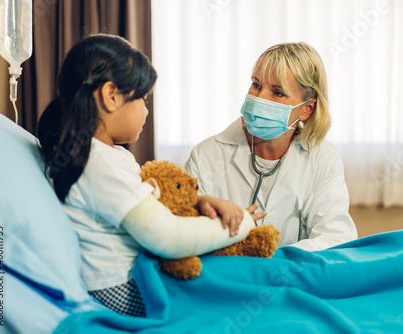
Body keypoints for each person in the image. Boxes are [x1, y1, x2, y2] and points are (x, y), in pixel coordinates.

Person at [37, 34, 264, 318]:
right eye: (143, 98)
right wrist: (241, 225)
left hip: (128, 280)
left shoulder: (97, 154)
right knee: (237, 296)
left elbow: (147, 209)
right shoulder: (100, 164)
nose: (146, 110)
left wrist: (199, 202)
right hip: (123, 290)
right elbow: (168, 237)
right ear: (111, 95)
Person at [185, 42, 357, 252]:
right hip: (228, 278)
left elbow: (335, 238)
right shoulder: (206, 155)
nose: (259, 98)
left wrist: (272, 263)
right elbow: (186, 234)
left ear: (306, 109)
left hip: (291, 278)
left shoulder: (322, 158)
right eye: (256, 85)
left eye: (278, 93)